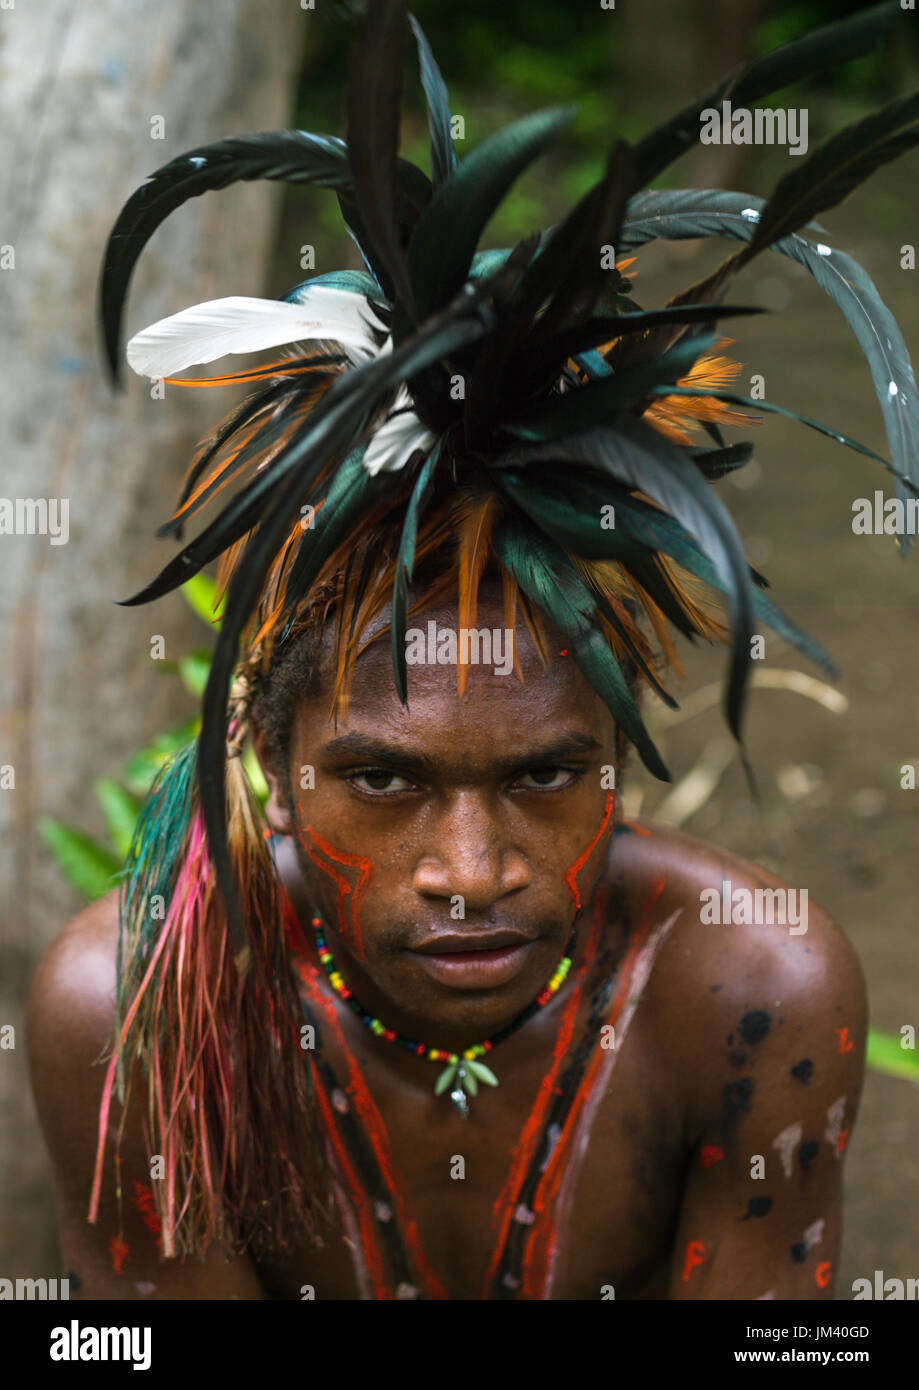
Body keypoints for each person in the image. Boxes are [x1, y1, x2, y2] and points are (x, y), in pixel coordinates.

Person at [26, 0, 916, 1299]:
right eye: (385, 780)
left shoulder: (748, 988)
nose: (471, 870)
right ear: (266, 755)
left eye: (544, 775)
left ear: (613, 746)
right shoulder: (136, 1009)